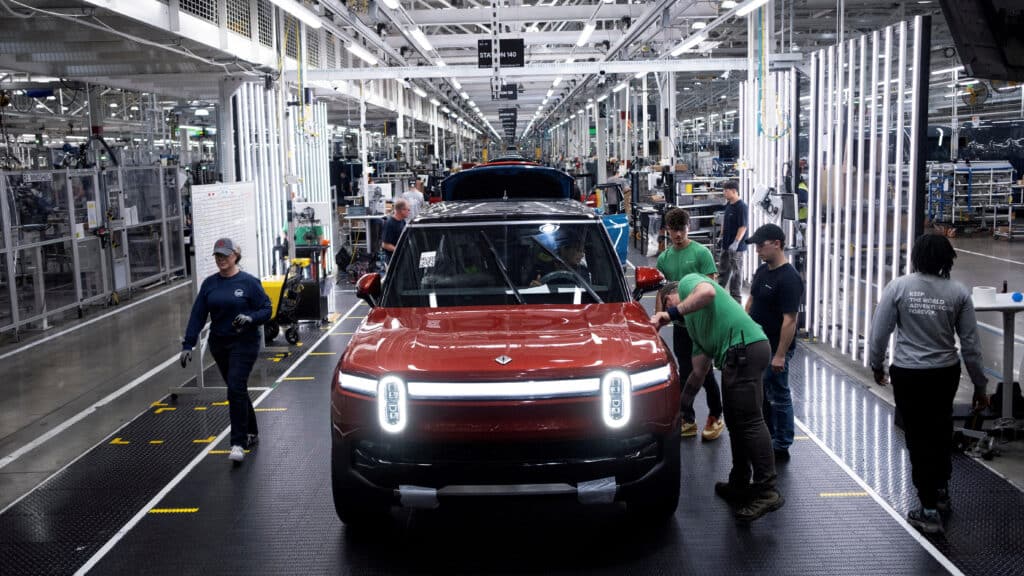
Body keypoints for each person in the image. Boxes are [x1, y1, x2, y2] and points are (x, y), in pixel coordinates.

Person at [869, 234, 988, 534]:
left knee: (918, 438)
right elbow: (971, 346)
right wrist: (980, 385)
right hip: (945, 373)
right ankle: (942, 492)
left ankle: (928, 508)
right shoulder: (959, 293)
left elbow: (879, 333)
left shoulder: (898, 287)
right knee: (940, 429)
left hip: (909, 374)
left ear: (916, 258)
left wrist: (876, 365)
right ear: (948, 260)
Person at [652, 273, 782, 522]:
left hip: (746, 348)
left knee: (750, 422)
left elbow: (708, 294)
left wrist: (670, 313)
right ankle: (740, 482)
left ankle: (767, 490)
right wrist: (679, 408)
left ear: (671, 296)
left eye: (666, 306)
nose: (669, 316)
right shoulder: (694, 328)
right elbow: (698, 373)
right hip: (738, 355)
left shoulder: (689, 282)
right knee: (735, 422)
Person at [180, 238, 272, 464]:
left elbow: (266, 309)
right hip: (219, 344)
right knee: (237, 388)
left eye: (224, 255)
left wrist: (251, 318)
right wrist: (188, 344)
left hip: (245, 343)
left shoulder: (249, 283)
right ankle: (252, 431)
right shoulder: (210, 284)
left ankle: (238, 442)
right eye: (217, 256)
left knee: (234, 387)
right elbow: (198, 315)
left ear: (235, 256)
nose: (221, 259)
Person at [656, 208, 724, 441]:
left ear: (689, 228)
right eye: (674, 231)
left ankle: (716, 415)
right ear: (668, 231)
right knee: (684, 372)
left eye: (682, 230)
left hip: (702, 324)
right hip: (681, 326)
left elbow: (711, 288)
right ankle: (688, 418)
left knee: (704, 373)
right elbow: (663, 291)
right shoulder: (664, 259)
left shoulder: (701, 253)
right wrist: (659, 318)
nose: (678, 235)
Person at [744, 224, 804, 462]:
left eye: (761, 245)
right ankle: (767, 435)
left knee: (778, 394)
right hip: (757, 344)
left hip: (775, 347)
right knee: (762, 392)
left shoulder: (789, 279)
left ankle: (781, 443)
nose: (757, 250)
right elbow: (751, 301)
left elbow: (790, 320)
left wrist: (780, 355)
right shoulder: (762, 271)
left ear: (776, 244)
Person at [718, 180, 748, 302]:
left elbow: (743, 226)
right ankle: (719, 294)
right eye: (723, 190)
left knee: (736, 274)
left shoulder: (742, 207)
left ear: (734, 191)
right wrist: (721, 235)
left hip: (737, 248)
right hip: (726, 244)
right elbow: (724, 221)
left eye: (726, 190)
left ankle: (736, 300)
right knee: (723, 271)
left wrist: (736, 242)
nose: (724, 193)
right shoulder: (729, 205)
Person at [381, 198, 410, 266]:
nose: (409, 211)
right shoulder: (389, 223)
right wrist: (400, 250)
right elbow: (385, 245)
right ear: (402, 210)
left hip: (400, 258)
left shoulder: (402, 221)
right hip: (392, 260)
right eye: (408, 209)